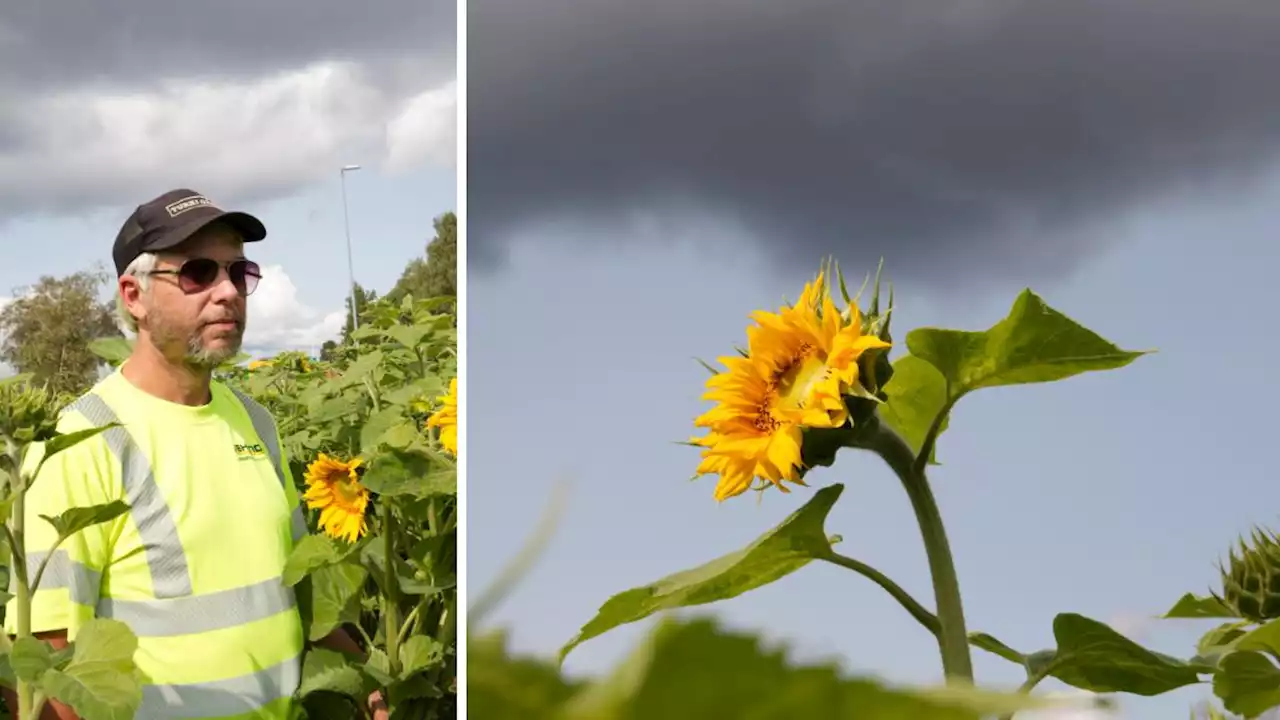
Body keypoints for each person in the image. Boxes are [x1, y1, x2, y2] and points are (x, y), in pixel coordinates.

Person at [3, 189, 386, 720]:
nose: (227, 291)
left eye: (238, 272)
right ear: (133, 296)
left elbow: (298, 593)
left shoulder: (256, 422)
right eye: (197, 273)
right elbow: (46, 662)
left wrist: (368, 685)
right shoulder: (81, 441)